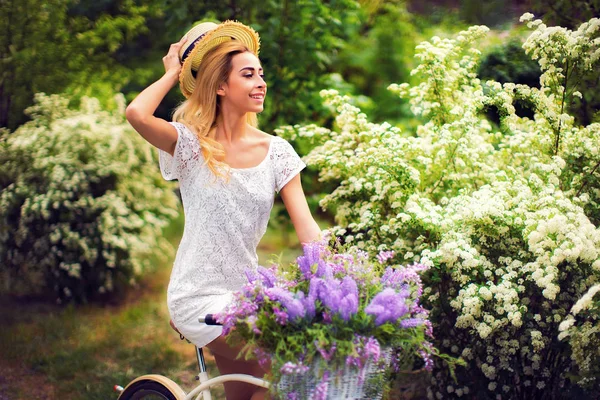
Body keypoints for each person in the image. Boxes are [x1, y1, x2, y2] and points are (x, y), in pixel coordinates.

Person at [125, 20, 321, 400]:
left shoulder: (277, 151)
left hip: (248, 296)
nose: (261, 82)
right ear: (219, 85)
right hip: (197, 295)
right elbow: (137, 114)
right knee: (286, 367)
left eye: (261, 74)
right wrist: (173, 73)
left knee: (245, 396)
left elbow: (307, 228)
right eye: (248, 75)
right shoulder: (189, 144)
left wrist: (335, 274)